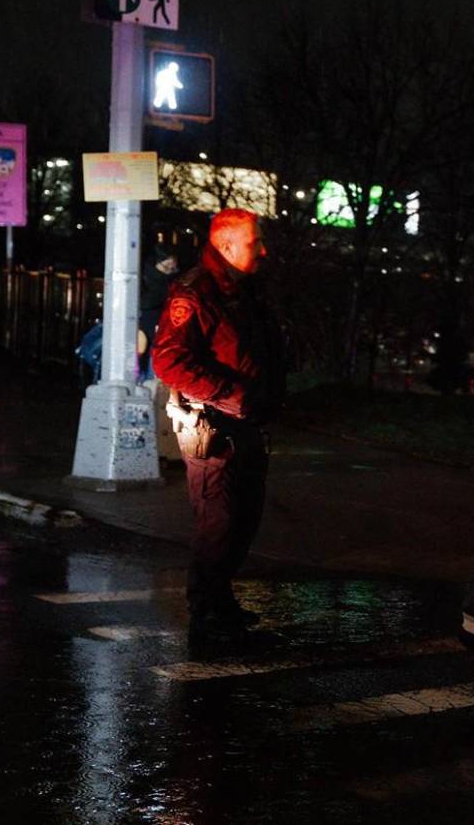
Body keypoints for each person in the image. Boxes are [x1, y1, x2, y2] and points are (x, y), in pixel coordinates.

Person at [151, 209, 285, 638]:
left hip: (246, 424)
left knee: (243, 519)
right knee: (220, 521)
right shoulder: (196, 292)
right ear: (227, 245)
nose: (263, 250)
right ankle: (205, 610)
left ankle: (218, 600)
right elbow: (169, 360)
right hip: (215, 427)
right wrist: (233, 395)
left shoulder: (244, 289)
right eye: (254, 243)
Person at [138, 243, 179, 379]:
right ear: (157, 262)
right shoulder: (143, 279)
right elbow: (146, 303)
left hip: (162, 336)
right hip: (143, 333)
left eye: (172, 269)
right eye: (166, 267)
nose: (169, 272)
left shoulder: (171, 281)